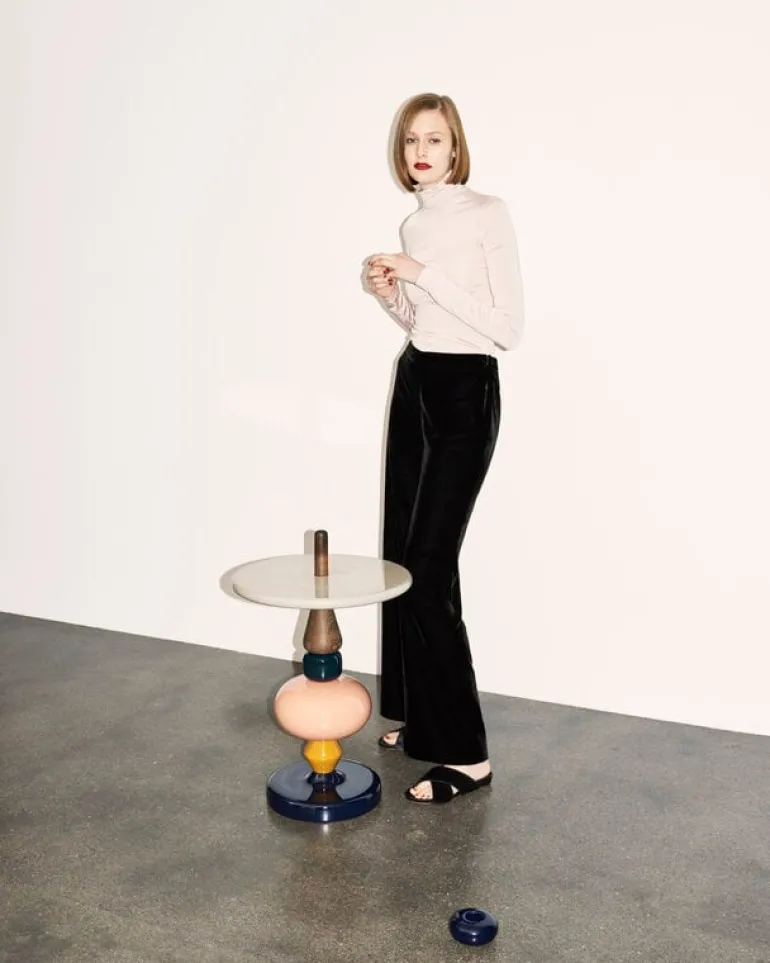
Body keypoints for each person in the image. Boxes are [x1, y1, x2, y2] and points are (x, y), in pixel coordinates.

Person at [364, 93, 525, 805]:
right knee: (404, 556)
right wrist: (390, 293)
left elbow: (505, 327)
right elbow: (424, 321)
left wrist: (421, 272)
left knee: (429, 569)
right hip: (417, 380)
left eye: (434, 139)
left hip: (464, 392)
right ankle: (421, 717)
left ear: (456, 147)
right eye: (410, 141)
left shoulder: (488, 212)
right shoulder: (415, 222)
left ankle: (467, 754)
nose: (421, 152)